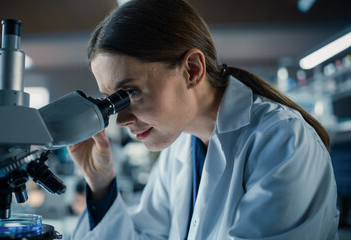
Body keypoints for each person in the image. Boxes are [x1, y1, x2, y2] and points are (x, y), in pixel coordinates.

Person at [67, 0, 339, 239]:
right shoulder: (178, 149)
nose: (121, 119)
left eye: (130, 93)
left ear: (192, 70)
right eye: (112, 100)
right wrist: (101, 183)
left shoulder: (282, 140)